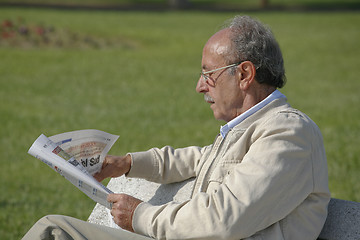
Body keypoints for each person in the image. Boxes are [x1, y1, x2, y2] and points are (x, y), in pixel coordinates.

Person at [22, 15, 330, 240]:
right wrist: (126, 164)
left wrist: (140, 215)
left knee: (55, 231)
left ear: (245, 74)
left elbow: (225, 219)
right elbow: (199, 159)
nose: (199, 86)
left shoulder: (289, 134)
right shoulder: (252, 128)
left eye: (209, 74)